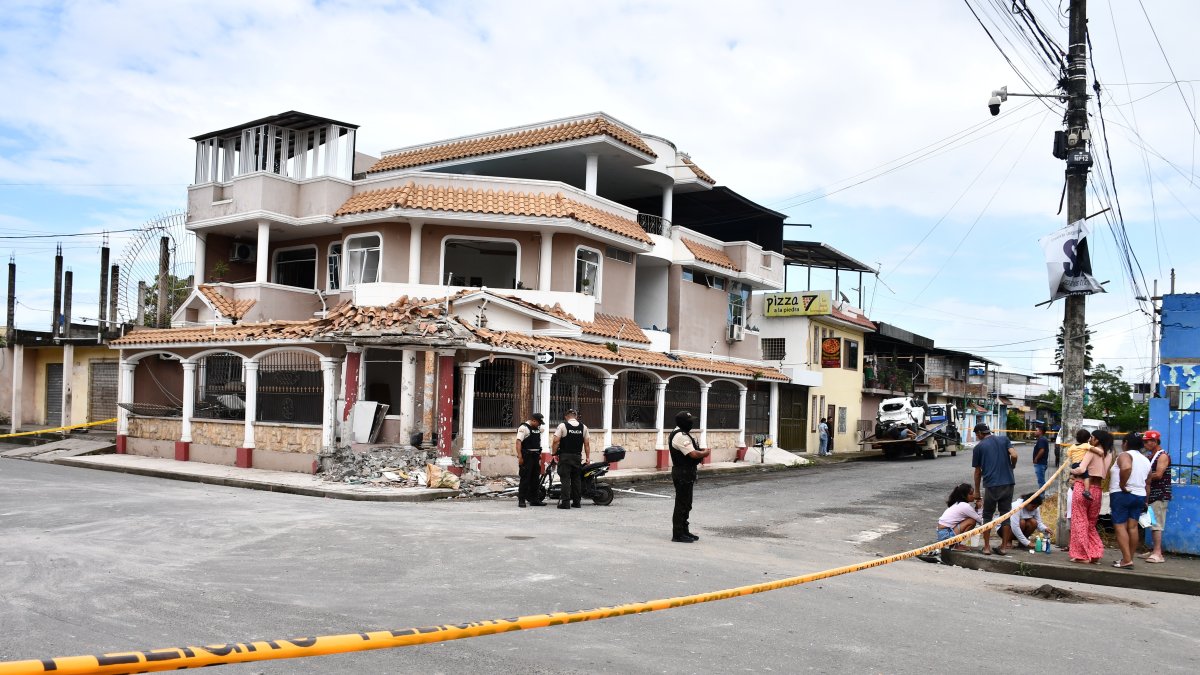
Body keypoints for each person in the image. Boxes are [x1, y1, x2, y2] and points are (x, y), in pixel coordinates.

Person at [971, 423, 1017, 555]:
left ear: (980, 433)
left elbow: (978, 472)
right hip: (1008, 483)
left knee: (987, 516)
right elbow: (1014, 455)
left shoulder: (979, 447)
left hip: (991, 485)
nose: (977, 437)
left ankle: (986, 547)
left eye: (976, 434)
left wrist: (977, 491)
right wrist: (1012, 467)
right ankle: (1003, 547)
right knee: (1005, 515)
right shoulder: (1004, 439)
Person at [1109, 429, 1151, 569]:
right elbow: (1148, 481)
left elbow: (1126, 468)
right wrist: (1146, 500)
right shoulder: (1145, 460)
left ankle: (1126, 560)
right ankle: (1128, 558)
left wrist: (1122, 484)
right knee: (1133, 527)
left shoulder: (1125, 455)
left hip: (1122, 494)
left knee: (1120, 525)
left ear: (1125, 443)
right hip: (1140, 495)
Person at [1068, 429, 1110, 563]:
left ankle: (1081, 555)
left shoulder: (1091, 451)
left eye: (1092, 437)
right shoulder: (1108, 454)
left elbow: (1081, 468)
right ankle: (1095, 553)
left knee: (1079, 521)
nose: (1090, 439)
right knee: (1091, 524)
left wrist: (1070, 470)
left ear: (1096, 440)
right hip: (1098, 489)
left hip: (1083, 487)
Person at [669, 411, 710, 542]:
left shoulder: (683, 434)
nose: (692, 423)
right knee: (682, 504)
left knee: (686, 504)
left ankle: (684, 530)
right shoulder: (680, 436)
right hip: (682, 472)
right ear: (683, 422)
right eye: (689, 421)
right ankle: (678, 534)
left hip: (687, 472)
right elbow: (693, 454)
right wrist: (705, 453)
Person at [1141, 430, 1171, 564]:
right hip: (1151, 494)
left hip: (1159, 493)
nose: (1146, 444)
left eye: (1148, 441)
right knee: (1152, 522)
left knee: (1157, 524)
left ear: (1155, 441)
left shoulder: (1162, 456)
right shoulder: (1150, 456)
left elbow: (1158, 474)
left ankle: (1158, 553)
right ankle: (1154, 549)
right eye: (1145, 441)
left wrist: (1142, 477)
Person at [551, 409, 591, 510]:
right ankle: (577, 502)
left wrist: (554, 453)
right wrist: (588, 458)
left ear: (566, 416)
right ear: (576, 416)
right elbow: (587, 444)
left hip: (565, 457)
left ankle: (565, 503)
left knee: (565, 479)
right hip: (577, 457)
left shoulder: (562, 426)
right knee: (576, 479)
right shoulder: (583, 427)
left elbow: (555, 441)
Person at [514, 412, 547, 508]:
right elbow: (518, 442)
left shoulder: (537, 428)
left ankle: (535, 499)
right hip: (527, 456)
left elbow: (539, 438)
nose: (539, 424)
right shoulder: (524, 428)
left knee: (535, 479)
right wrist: (520, 457)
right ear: (533, 420)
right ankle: (522, 500)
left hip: (535, 456)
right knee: (525, 479)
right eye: (538, 422)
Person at [937, 483, 982, 551]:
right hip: (946, 534)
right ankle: (956, 545)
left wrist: (976, 509)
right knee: (972, 521)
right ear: (964, 496)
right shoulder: (965, 506)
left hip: (943, 534)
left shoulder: (958, 504)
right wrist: (980, 508)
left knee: (970, 519)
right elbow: (981, 521)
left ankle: (955, 544)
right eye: (970, 494)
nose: (973, 496)